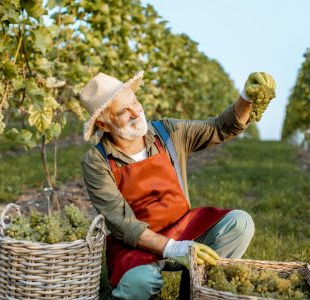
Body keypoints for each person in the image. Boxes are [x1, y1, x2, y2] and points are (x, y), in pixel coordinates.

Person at [79, 70, 275, 299]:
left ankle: (196, 291)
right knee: (138, 283)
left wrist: (246, 97)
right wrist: (173, 248)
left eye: (134, 101)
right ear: (103, 123)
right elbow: (123, 224)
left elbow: (219, 128)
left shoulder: (167, 132)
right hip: (135, 245)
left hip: (183, 229)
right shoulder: (96, 161)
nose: (136, 112)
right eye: (124, 111)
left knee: (240, 223)